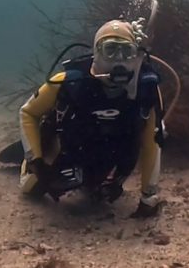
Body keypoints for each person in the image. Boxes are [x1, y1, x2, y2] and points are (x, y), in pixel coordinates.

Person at [17, 19, 165, 218]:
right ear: (96, 52)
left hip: (112, 159)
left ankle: (97, 181)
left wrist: (149, 196)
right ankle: (27, 165)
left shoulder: (145, 90)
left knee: (98, 195)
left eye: (126, 51)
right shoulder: (68, 82)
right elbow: (28, 112)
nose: (118, 59)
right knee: (31, 189)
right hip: (68, 151)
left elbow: (152, 141)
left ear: (135, 55)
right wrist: (35, 160)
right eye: (110, 50)